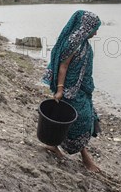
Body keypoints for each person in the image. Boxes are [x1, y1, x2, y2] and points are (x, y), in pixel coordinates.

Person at [42, 10, 102, 172]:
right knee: (80, 120)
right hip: (70, 90)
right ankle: (86, 159)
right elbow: (63, 66)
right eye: (94, 29)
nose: (95, 33)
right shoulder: (73, 43)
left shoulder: (83, 42)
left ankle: (54, 145)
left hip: (81, 90)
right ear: (85, 28)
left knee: (75, 119)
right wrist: (60, 90)